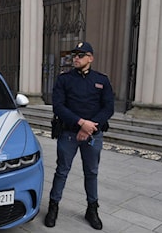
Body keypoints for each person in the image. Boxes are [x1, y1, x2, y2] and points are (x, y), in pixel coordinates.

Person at [44, 42, 114, 230]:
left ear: (90, 58)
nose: (75, 58)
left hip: (93, 135)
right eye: (74, 55)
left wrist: (89, 127)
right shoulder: (64, 79)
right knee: (62, 171)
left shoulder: (102, 80)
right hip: (68, 133)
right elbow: (58, 106)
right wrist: (81, 123)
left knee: (91, 172)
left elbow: (108, 107)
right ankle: (53, 207)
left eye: (81, 55)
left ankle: (92, 209)